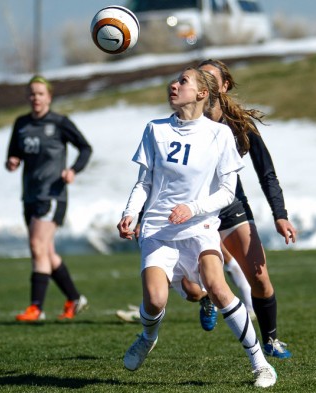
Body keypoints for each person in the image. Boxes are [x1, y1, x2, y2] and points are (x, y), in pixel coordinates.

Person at [117, 67, 277, 388]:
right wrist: (130, 213)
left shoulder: (219, 135)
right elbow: (144, 182)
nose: (173, 85)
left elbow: (227, 192)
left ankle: (260, 365)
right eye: (175, 80)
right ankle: (148, 337)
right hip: (158, 229)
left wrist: (192, 207)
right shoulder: (155, 129)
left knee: (218, 288)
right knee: (156, 300)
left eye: (182, 82)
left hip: (200, 224)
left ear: (202, 93)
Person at [187, 59, 298, 358]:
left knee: (260, 277)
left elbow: (267, 173)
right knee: (193, 290)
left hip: (231, 206)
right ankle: (206, 295)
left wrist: (280, 215)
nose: (205, 83)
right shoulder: (183, 125)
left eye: (211, 78)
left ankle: (272, 341)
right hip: (195, 212)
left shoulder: (238, 125)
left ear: (224, 86)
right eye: (199, 78)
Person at [6, 75, 92, 322]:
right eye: (32, 93)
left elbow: (85, 148)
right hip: (29, 195)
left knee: (36, 246)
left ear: (49, 97)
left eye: (40, 93)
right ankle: (74, 298)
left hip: (52, 194)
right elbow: (14, 152)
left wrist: (73, 169)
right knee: (46, 251)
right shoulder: (21, 123)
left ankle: (36, 308)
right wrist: (12, 161)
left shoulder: (60, 123)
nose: (36, 98)